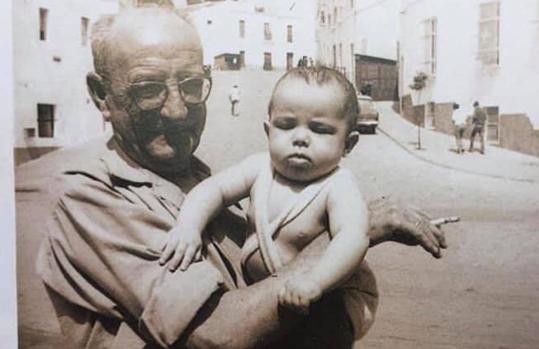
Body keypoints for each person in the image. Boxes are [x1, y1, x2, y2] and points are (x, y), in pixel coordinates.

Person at [28, 6, 453, 348]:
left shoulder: (193, 175)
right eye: (147, 89)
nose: (177, 110)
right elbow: (215, 334)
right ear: (102, 95)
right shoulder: (90, 198)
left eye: (192, 85)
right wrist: (360, 230)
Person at [160, 67, 372, 324]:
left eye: (320, 129)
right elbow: (213, 189)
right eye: (286, 125)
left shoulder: (338, 185)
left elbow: (353, 237)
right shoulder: (259, 168)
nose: (300, 138)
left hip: (331, 295)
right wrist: (188, 226)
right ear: (267, 130)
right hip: (266, 293)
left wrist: (315, 281)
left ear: (348, 144)